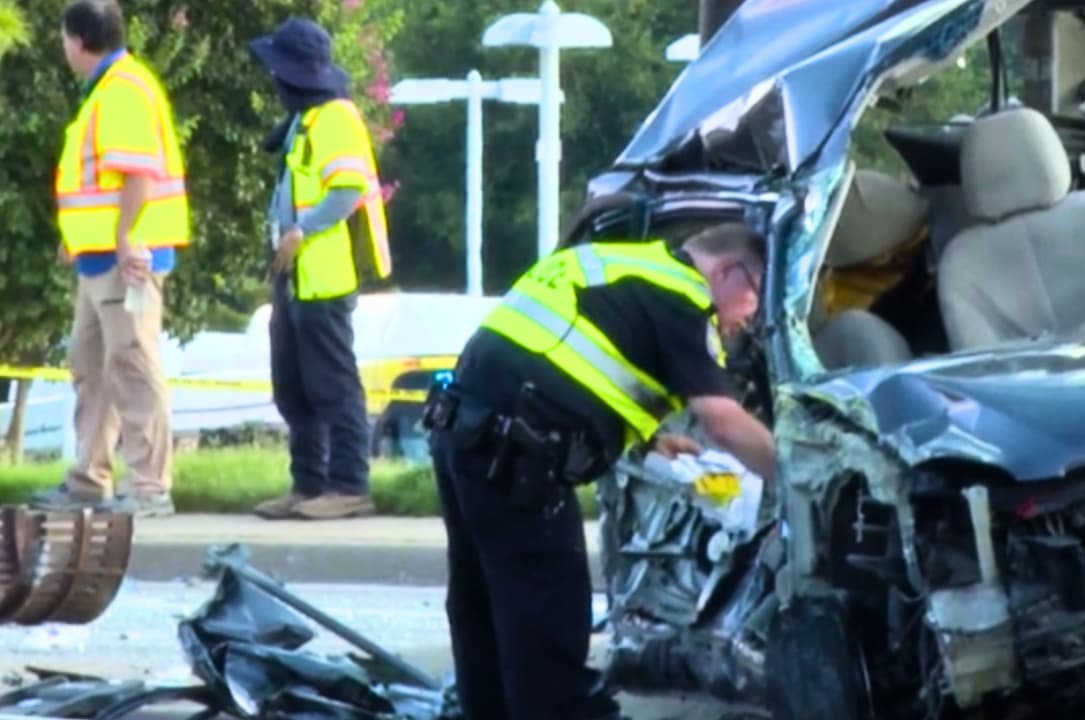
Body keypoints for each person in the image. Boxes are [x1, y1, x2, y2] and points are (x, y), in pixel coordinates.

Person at [424, 219, 778, 720]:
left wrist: (648, 439)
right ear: (727, 272)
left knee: (482, 607)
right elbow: (722, 422)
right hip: (517, 450)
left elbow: (571, 355)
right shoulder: (684, 295)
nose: (752, 317)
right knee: (546, 624)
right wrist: (792, 477)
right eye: (756, 296)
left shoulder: (621, 265)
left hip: (463, 429)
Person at [30, 0, 190, 518]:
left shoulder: (121, 90)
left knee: (133, 365)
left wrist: (123, 237)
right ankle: (89, 478)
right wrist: (78, 234)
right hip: (99, 256)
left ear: (78, 40)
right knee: (92, 367)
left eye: (63, 39)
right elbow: (98, 182)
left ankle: (148, 486)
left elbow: (138, 173)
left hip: (126, 258)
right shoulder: (108, 89)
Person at [247, 17, 393, 521]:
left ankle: (349, 485)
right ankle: (308, 484)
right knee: (293, 384)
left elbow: (347, 191)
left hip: (325, 277)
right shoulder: (305, 120)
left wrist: (299, 230)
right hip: (296, 277)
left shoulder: (335, 118)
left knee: (333, 384)